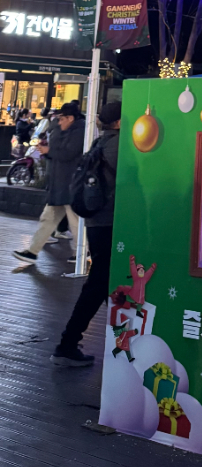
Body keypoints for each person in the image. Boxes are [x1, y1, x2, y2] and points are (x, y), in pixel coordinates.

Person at [51, 100, 122, 367]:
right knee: (99, 283)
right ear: (118, 121)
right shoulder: (118, 144)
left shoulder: (99, 143)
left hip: (95, 222)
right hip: (108, 222)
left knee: (103, 281)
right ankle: (67, 343)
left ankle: (124, 339)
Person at [13, 103, 85, 262]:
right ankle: (32, 251)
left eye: (62, 119)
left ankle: (81, 253)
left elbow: (69, 153)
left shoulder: (80, 132)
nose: (59, 122)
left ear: (70, 118)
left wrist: (49, 151)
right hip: (59, 183)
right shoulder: (62, 130)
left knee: (74, 221)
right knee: (49, 218)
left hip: (70, 183)